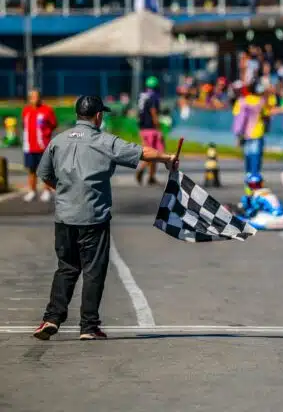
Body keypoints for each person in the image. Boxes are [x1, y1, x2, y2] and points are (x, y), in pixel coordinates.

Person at [33, 96, 178, 341]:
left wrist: (66, 193)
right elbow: (143, 152)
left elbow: (44, 175)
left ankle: (52, 318)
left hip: (65, 216)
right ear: (99, 116)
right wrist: (167, 158)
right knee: (93, 270)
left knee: (66, 268)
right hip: (93, 217)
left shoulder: (57, 141)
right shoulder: (105, 141)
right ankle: (88, 326)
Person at [21, 89, 57, 202]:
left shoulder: (47, 110)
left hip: (43, 146)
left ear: (40, 97)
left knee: (45, 170)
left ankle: (47, 191)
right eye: (32, 96)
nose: (34, 98)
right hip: (29, 146)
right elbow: (24, 126)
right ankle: (32, 191)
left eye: (36, 96)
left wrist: (45, 134)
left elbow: (54, 124)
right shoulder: (26, 111)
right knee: (31, 170)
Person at [232, 83, 275, 177]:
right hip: (257, 132)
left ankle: (248, 175)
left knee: (248, 155)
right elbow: (267, 115)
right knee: (256, 156)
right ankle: (255, 177)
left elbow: (236, 114)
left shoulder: (241, 101)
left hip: (245, 133)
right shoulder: (260, 101)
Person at [135, 76, 164, 185]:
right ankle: (142, 169)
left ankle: (151, 177)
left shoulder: (142, 96)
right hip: (151, 128)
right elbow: (153, 112)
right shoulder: (154, 97)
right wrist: (158, 128)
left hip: (143, 128)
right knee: (156, 152)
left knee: (151, 152)